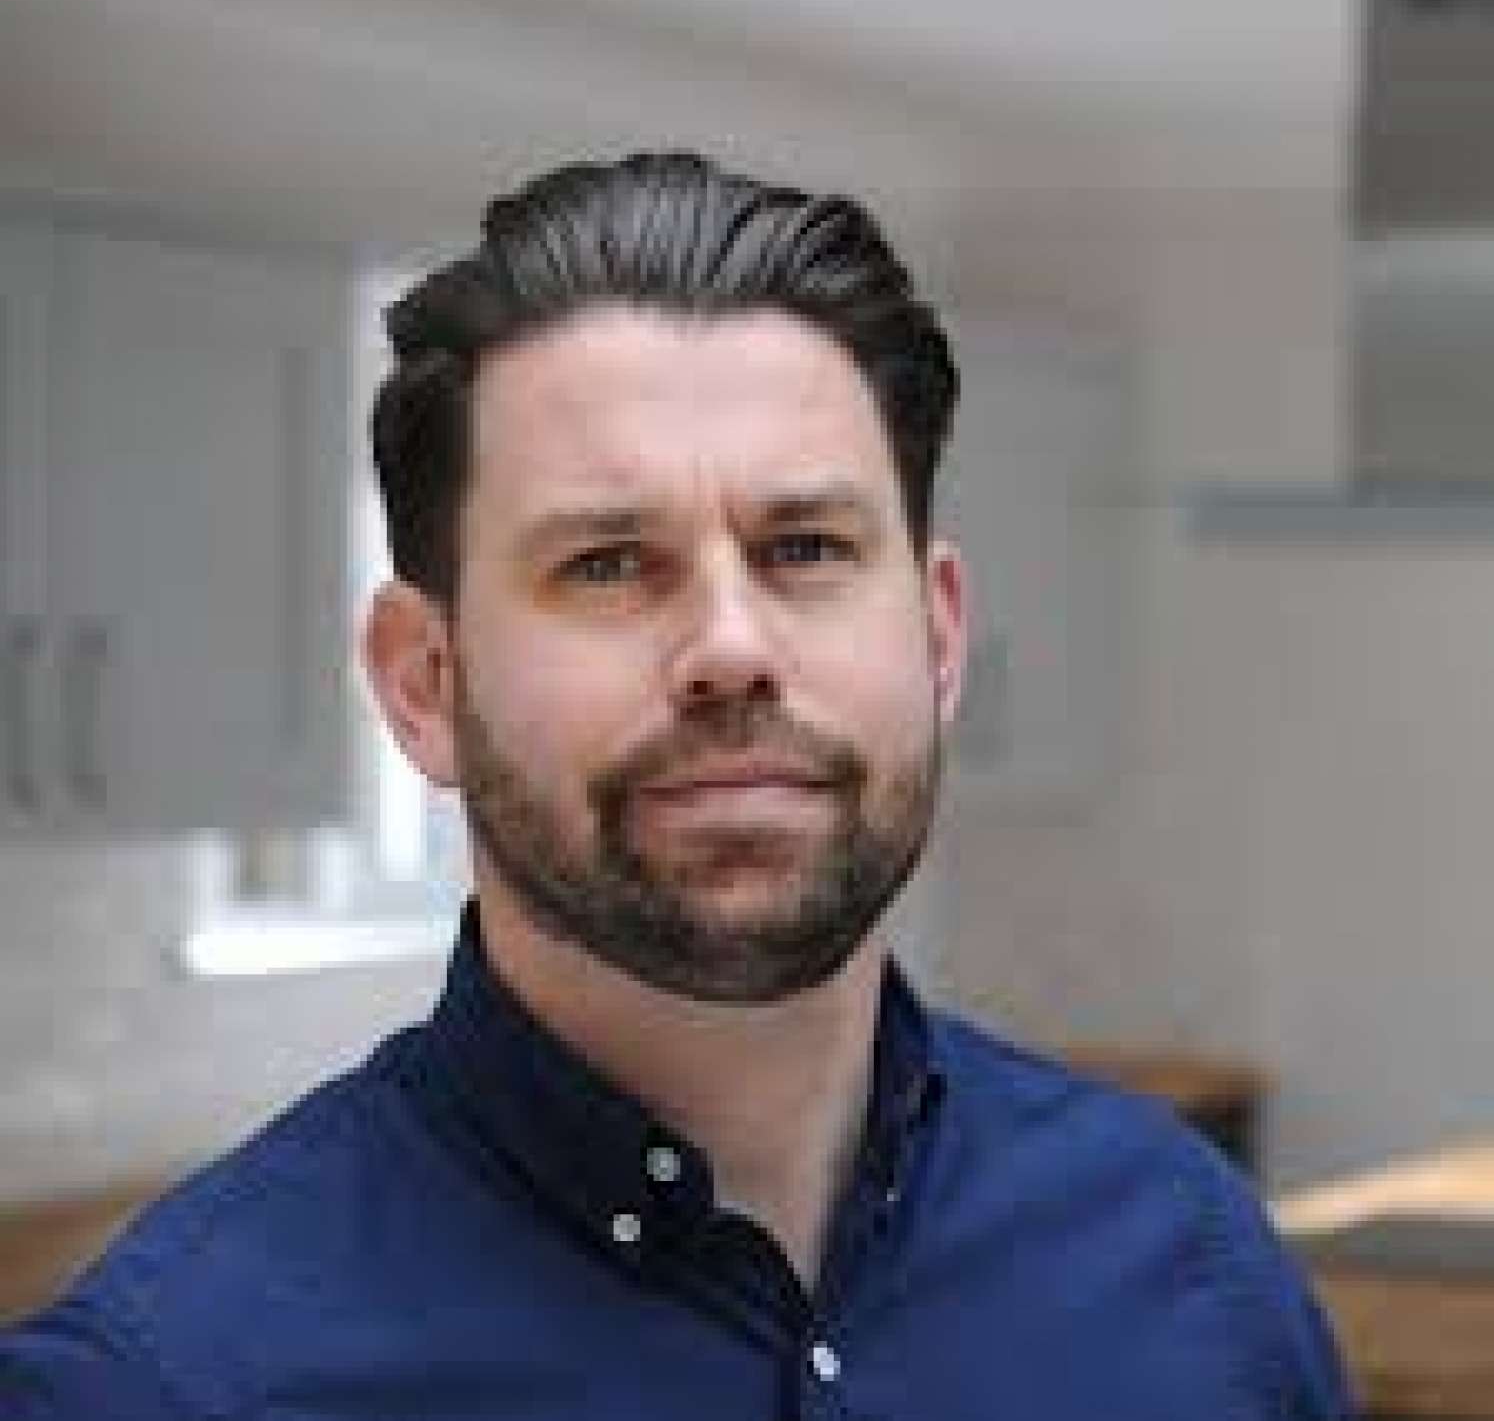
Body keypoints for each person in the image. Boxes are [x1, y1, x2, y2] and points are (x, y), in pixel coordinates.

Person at [0, 152, 1356, 1419]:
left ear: (940, 642)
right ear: (424, 682)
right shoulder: (166, 1385)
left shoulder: (1190, 1265)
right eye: (607, 564)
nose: (731, 648)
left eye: (806, 547)